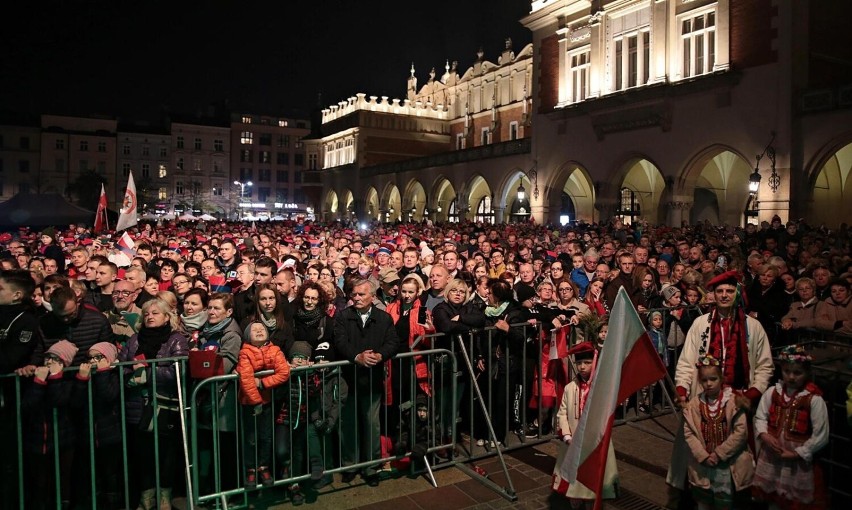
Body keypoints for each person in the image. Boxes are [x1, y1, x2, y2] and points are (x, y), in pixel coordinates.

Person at [118, 298, 188, 510]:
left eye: (155, 313)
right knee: (142, 454)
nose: (149, 316)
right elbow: (122, 366)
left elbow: (178, 370)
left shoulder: (176, 340)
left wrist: (146, 373)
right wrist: (132, 374)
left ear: (167, 317)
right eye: (147, 313)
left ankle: (165, 496)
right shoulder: (134, 340)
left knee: (166, 453)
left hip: (164, 405)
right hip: (137, 405)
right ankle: (146, 497)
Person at [334, 278, 400, 486]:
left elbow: (393, 342)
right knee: (349, 423)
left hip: (372, 379)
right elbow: (340, 341)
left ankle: (371, 467)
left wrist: (380, 355)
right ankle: (350, 466)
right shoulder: (343, 317)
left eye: (361, 294)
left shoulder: (383, 318)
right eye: (354, 294)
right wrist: (357, 357)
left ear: (372, 296)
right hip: (349, 378)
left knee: (372, 424)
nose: (357, 298)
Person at [752, 345, 829, 509]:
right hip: (772, 456)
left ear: (807, 373)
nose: (791, 377)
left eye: (797, 373)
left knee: (795, 502)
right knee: (772, 499)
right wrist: (765, 435)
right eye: (787, 371)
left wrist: (796, 454)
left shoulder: (813, 400)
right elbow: (760, 417)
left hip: (797, 462)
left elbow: (821, 435)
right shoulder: (773, 392)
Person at [682, 355, 754, 510]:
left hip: (726, 465)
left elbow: (740, 432)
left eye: (713, 379)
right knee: (703, 501)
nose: (708, 384)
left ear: (721, 379)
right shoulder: (694, 405)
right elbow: (689, 433)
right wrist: (703, 455)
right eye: (704, 380)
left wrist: (719, 454)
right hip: (703, 464)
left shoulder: (733, 402)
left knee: (724, 503)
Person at [551, 342, 618, 508]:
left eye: (587, 363)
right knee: (574, 475)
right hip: (573, 440)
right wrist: (567, 435)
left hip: (594, 441)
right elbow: (562, 413)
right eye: (579, 363)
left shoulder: (601, 389)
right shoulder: (569, 388)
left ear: (594, 362)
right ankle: (575, 499)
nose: (582, 367)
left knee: (592, 478)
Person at [237, 321, 291, 488]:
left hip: (267, 402)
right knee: (251, 439)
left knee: (266, 437)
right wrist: (255, 402)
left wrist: (262, 383)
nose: (259, 331)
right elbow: (246, 379)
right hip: (249, 403)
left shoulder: (275, 350)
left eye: (262, 329)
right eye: (254, 330)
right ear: (247, 336)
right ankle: (250, 469)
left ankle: (263, 466)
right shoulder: (244, 353)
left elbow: (284, 372)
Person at [482, 278, 530, 447]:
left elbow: (520, 337)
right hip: (492, 362)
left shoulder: (514, 313)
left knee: (502, 401)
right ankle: (488, 433)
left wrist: (508, 329)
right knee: (490, 399)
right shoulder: (488, 311)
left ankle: (498, 435)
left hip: (507, 363)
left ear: (498, 296)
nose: (487, 295)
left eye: (491, 293)